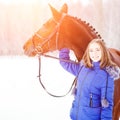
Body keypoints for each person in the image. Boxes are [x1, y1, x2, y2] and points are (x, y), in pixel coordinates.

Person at [59, 39, 120, 120]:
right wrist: (64, 45)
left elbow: (107, 106)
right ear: (88, 52)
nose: (94, 53)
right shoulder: (82, 68)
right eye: (91, 50)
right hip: (76, 116)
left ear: (103, 51)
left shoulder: (106, 75)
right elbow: (65, 62)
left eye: (97, 50)